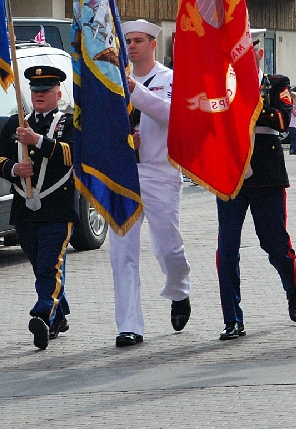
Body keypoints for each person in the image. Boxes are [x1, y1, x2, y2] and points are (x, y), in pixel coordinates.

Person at [108, 19, 192, 348]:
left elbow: (173, 115)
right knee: (122, 253)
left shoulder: (169, 79)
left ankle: (179, 290)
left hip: (160, 171)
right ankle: (129, 325)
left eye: (139, 40)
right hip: (124, 174)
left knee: (169, 247)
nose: (132, 46)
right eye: (127, 40)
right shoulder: (111, 82)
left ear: (153, 44)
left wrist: (134, 90)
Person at [215, 40, 296, 341]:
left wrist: (246, 105)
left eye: (245, 49)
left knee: (274, 243)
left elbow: (281, 120)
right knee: (226, 249)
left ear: (259, 53)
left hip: (266, 174)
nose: (239, 56)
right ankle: (232, 319)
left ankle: (292, 285)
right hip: (231, 173)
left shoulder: (275, 83)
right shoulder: (219, 84)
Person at [0, 65, 75, 350]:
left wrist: (36, 141)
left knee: (50, 266)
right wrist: (14, 168)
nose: (39, 95)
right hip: (25, 210)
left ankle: (42, 316)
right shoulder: (17, 122)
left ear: (58, 93)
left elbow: (71, 154)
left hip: (57, 208)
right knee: (41, 267)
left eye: (46, 90)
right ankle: (59, 313)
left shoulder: (68, 121)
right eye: (36, 90)